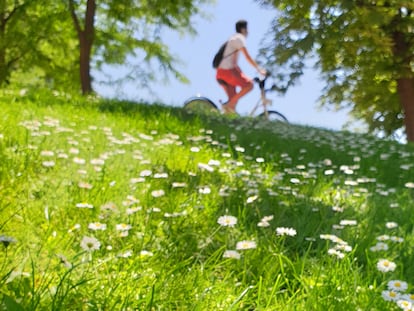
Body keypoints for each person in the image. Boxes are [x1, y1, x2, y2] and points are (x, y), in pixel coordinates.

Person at [216, 20, 267, 114]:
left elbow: (234, 63)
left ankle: (224, 113)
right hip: (227, 71)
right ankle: (229, 104)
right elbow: (247, 57)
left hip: (221, 73)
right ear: (243, 29)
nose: (248, 32)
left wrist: (242, 74)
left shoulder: (233, 39)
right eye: (247, 29)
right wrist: (259, 69)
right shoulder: (239, 38)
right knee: (249, 85)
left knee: (231, 108)